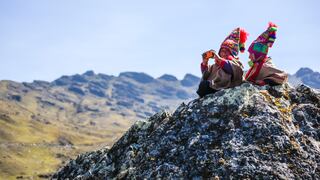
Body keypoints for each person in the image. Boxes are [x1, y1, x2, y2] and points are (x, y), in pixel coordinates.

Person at [197, 27, 249, 98]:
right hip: (213, 87)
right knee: (203, 84)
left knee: (204, 85)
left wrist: (221, 61)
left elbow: (236, 70)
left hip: (226, 88)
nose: (223, 53)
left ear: (231, 53)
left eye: (226, 51)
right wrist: (204, 63)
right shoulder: (215, 65)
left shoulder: (235, 62)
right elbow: (206, 75)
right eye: (222, 50)